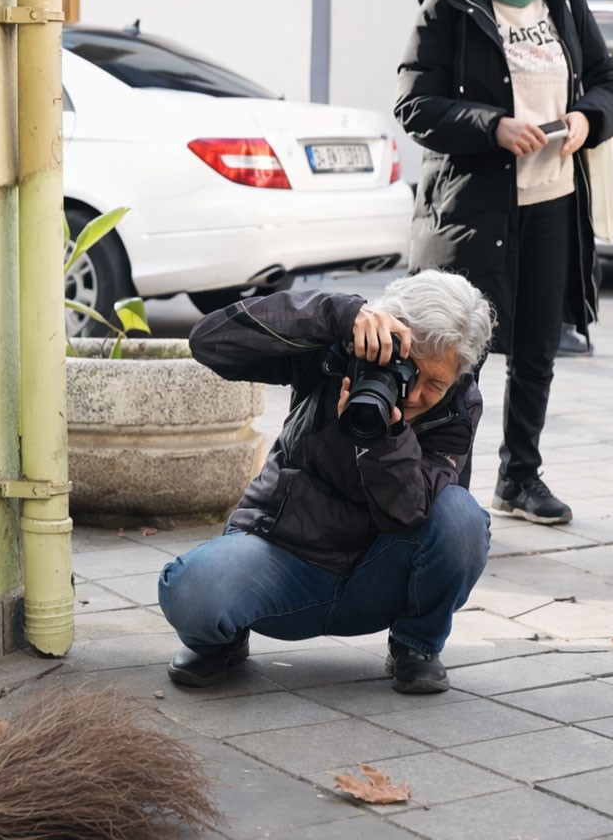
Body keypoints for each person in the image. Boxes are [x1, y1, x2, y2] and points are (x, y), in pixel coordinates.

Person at [394, 0, 613, 525]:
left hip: (551, 201)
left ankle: (520, 477)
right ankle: (447, 489)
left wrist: (587, 120)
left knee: (537, 348)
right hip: (472, 210)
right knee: (454, 353)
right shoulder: (450, 2)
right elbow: (415, 105)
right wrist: (492, 127)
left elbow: (610, 83)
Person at [156, 271, 494, 694]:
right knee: (192, 591)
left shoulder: (457, 408)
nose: (413, 394)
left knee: (462, 517)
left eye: (436, 384)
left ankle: (417, 645)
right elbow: (209, 342)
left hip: (377, 576)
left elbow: (410, 510)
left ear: (458, 379)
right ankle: (222, 637)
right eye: (407, 371)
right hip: (285, 556)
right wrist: (337, 316)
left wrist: (383, 443)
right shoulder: (336, 350)